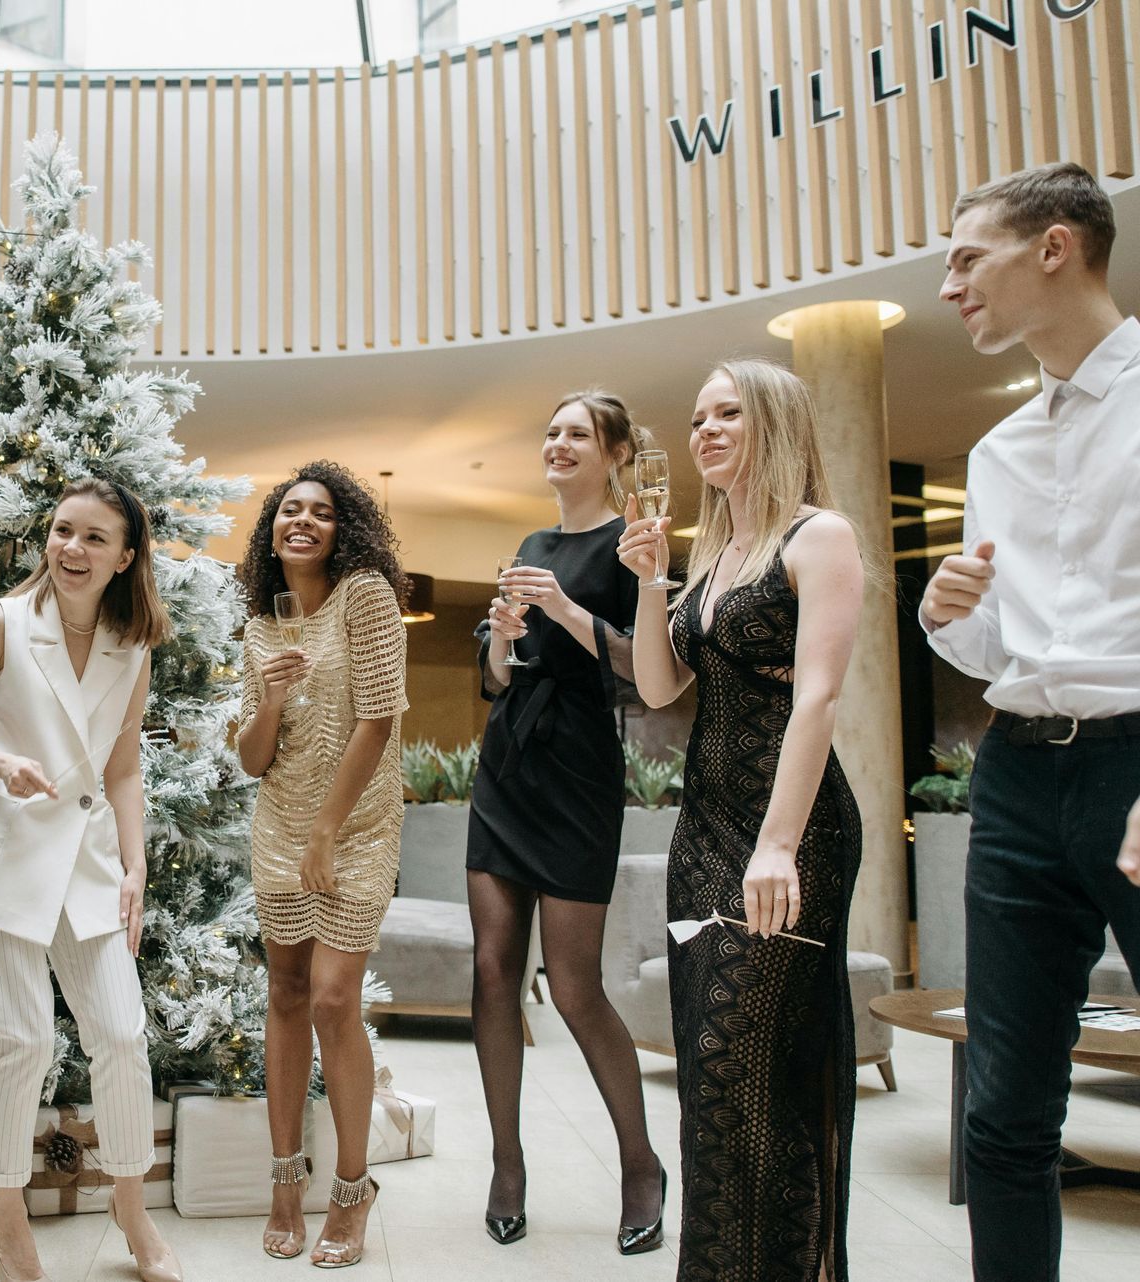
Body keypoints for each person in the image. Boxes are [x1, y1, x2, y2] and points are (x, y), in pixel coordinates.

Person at [923, 161, 1140, 1281]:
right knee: (1003, 1109)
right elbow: (991, 647)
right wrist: (946, 615)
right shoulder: (997, 452)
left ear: (1054, 247)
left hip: (1137, 765)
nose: (950, 284)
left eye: (969, 257)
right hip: (1015, 775)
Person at [616, 359, 866, 1281]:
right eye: (697, 418)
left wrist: (779, 844)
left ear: (776, 421)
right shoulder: (715, 555)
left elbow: (819, 699)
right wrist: (649, 582)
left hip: (790, 835)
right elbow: (656, 686)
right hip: (703, 834)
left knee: (752, 1074)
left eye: (729, 413)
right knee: (711, 1080)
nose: (705, 431)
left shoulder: (819, 536)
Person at [0, 478, 181, 1282]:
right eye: (63, 531)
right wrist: (0, 762)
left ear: (125, 556)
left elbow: (124, 763)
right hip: (0, 852)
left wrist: (135, 862)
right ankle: (4, 1216)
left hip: (89, 861)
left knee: (122, 1033)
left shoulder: (132, 645)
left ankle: (131, 1204)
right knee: (26, 1039)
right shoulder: (2, 622)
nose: (72, 550)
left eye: (94, 538)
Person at [467, 390, 665, 1253]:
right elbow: (495, 676)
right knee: (490, 971)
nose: (558, 444)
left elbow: (648, 676)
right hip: (507, 767)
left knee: (576, 987)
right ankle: (507, 1165)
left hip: (582, 770)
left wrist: (566, 610)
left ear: (615, 452)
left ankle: (640, 1165)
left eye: (577, 434)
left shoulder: (636, 544)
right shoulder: (529, 543)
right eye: (550, 432)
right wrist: (505, 635)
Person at [235, 460, 407, 1270]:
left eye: (323, 512)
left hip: (357, 827)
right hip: (279, 826)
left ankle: (351, 1188)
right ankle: (282, 1182)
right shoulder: (260, 629)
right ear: (272, 530)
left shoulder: (365, 597)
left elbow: (377, 721)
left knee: (336, 1000)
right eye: (289, 510)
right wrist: (267, 697)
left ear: (346, 531)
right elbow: (251, 760)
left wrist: (328, 831)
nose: (303, 521)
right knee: (286, 993)